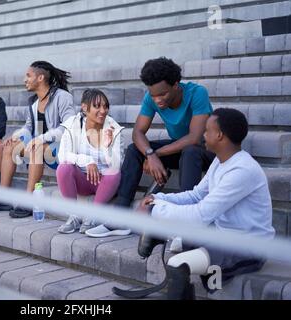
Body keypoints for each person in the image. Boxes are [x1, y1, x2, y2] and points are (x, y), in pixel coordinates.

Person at [138, 108, 275, 299]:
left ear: (219, 135)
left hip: (247, 246)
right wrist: (159, 199)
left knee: (178, 265)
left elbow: (200, 215)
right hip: (222, 236)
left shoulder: (242, 170)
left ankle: (162, 232)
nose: (203, 134)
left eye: (207, 130)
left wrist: (154, 211)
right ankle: (162, 233)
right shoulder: (220, 162)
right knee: (186, 239)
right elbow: (196, 196)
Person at [115, 57, 215, 207]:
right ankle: (119, 211)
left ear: (175, 85)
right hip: (179, 148)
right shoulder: (151, 98)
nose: (157, 100)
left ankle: (185, 213)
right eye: (153, 95)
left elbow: (195, 138)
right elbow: (138, 132)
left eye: (162, 94)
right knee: (134, 149)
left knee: (190, 151)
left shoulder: (197, 93)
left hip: (206, 149)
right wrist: (149, 153)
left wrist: (157, 154)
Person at [0, 61, 75, 218]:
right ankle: (2, 198)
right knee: (9, 147)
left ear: (40, 77)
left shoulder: (62, 97)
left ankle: (29, 199)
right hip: (41, 146)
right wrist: (16, 136)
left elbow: (69, 127)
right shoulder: (34, 103)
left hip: (62, 149)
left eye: (28, 75)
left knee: (37, 148)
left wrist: (42, 138)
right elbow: (29, 127)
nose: (24, 79)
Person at [56, 89, 130, 237]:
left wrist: (107, 146)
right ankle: (74, 216)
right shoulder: (72, 125)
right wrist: (88, 161)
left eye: (106, 106)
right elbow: (62, 155)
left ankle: (93, 216)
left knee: (114, 172)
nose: (103, 111)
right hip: (82, 180)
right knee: (63, 168)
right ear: (85, 108)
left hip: (104, 183)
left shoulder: (113, 129)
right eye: (97, 106)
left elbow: (117, 164)